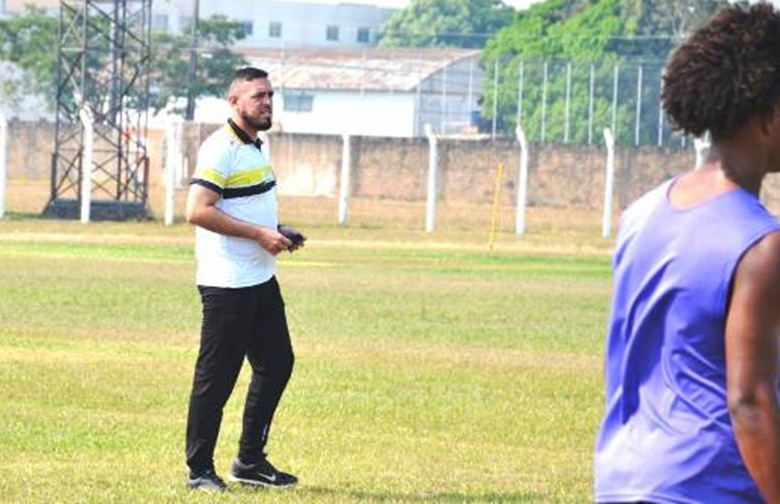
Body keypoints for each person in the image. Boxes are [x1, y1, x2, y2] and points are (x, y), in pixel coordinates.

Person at [594, 3, 780, 503]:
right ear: (765, 116)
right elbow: (748, 402)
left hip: (623, 479)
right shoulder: (761, 244)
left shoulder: (640, 215)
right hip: (709, 485)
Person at [184, 67, 305, 492]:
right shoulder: (221, 148)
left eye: (270, 95)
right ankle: (199, 472)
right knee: (215, 380)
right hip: (226, 284)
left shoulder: (255, 146)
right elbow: (198, 209)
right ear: (234, 102)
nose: (267, 102)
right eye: (258, 96)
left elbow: (248, 205)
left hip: (259, 279)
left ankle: (250, 461)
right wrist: (258, 235)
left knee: (277, 364)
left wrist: (278, 229)